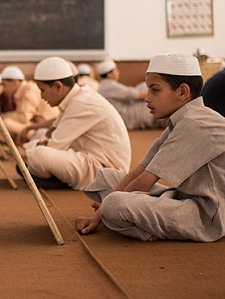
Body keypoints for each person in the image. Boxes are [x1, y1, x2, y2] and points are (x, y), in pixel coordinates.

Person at [76, 54, 225, 242]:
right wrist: (102, 212)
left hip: (208, 215)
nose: (147, 98)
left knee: (114, 203)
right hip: (183, 197)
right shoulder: (179, 121)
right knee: (106, 177)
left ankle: (147, 230)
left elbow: (144, 182)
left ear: (183, 92)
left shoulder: (195, 123)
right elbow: (137, 173)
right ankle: (137, 218)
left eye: (154, 90)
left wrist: (100, 214)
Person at [20, 57, 131, 190]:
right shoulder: (76, 98)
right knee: (39, 141)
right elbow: (52, 133)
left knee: (38, 156)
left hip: (106, 172)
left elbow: (54, 144)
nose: (41, 96)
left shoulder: (81, 103)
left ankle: (57, 180)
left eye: (42, 90)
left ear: (58, 86)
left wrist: (40, 145)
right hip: (91, 159)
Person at [0, 65, 58, 143]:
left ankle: (38, 138)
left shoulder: (29, 91)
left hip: (48, 126)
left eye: (4, 85)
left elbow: (24, 117)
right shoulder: (23, 91)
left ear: (14, 82)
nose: (3, 88)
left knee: (5, 123)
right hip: (40, 124)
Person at [97, 59, 164, 130]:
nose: (118, 72)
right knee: (145, 88)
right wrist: (159, 93)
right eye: (116, 70)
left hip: (125, 115)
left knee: (143, 86)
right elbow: (137, 95)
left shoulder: (103, 86)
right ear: (109, 74)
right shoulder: (110, 86)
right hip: (128, 118)